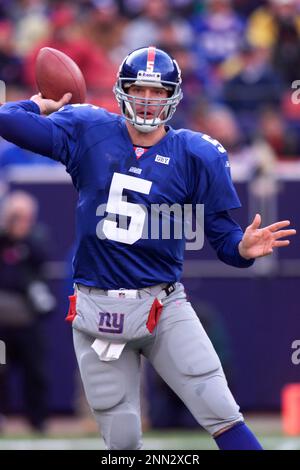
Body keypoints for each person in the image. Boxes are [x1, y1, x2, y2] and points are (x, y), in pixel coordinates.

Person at [0, 46, 296, 450]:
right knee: (122, 441)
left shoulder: (197, 153)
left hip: (164, 305)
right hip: (98, 308)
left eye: (158, 92)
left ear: (173, 96)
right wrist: (36, 105)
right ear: (122, 91)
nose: (147, 99)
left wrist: (242, 249)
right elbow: (6, 121)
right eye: (139, 88)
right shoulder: (87, 128)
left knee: (222, 412)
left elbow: (224, 240)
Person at [0, 191, 55, 432]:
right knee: (0, 369)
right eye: (17, 217)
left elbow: (41, 266)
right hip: (1, 327)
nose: (22, 222)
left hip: (27, 322)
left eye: (26, 217)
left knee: (35, 372)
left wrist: (24, 239)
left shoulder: (36, 241)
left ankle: (38, 420)